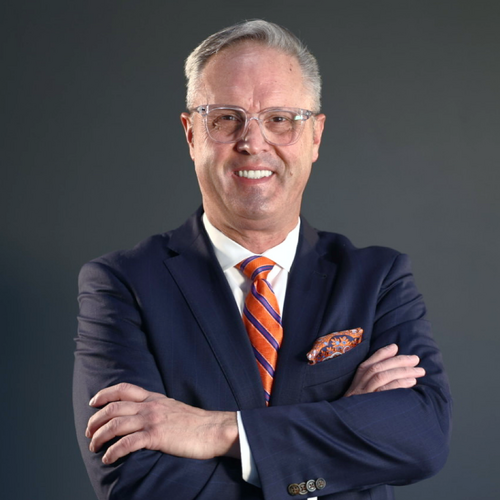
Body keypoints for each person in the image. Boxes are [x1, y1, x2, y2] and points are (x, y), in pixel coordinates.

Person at [73, 20, 451, 500]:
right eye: (225, 118)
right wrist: (343, 434)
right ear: (191, 134)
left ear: (315, 136)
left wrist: (220, 431)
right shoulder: (122, 285)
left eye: (280, 119)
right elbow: (139, 484)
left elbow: (422, 437)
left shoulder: (377, 280)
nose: (253, 142)